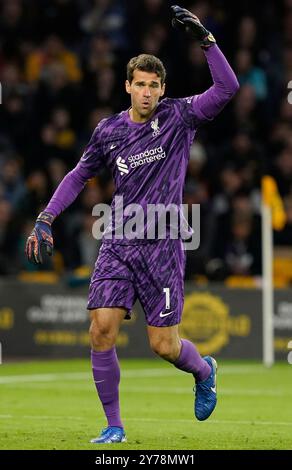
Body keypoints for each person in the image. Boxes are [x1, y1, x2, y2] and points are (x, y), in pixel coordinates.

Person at [25, 5, 239, 444]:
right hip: (119, 239)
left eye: (153, 85)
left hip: (162, 244)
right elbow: (79, 174)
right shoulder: (109, 132)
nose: (146, 92)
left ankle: (203, 369)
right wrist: (46, 217)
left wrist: (208, 40)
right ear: (127, 86)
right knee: (101, 327)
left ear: (162, 89)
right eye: (139, 84)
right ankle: (114, 426)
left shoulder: (178, 117)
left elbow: (227, 87)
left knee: (164, 346)